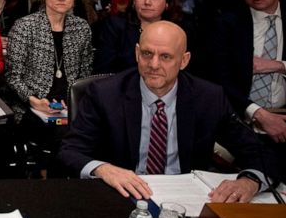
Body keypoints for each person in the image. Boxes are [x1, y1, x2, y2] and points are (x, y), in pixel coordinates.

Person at [59, 21, 275, 202]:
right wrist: (104, 169)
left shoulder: (208, 98)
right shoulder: (105, 94)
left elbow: (260, 152)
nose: (153, 64)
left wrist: (250, 182)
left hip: (188, 200)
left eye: (165, 57)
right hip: (123, 197)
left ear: (184, 60)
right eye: (146, 54)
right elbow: (70, 151)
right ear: (136, 53)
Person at [206, 0, 286, 144]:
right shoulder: (226, 23)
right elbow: (218, 78)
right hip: (241, 117)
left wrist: (280, 66)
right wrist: (256, 112)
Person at [6, 0, 93, 116]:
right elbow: (13, 77)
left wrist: (75, 104)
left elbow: (85, 75)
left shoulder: (81, 27)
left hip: (70, 108)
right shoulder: (25, 27)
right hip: (33, 107)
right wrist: (33, 100)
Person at [96, 0, 183, 74]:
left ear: (167, 3)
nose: (147, 2)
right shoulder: (115, 26)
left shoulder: (179, 30)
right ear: (133, 0)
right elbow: (103, 71)